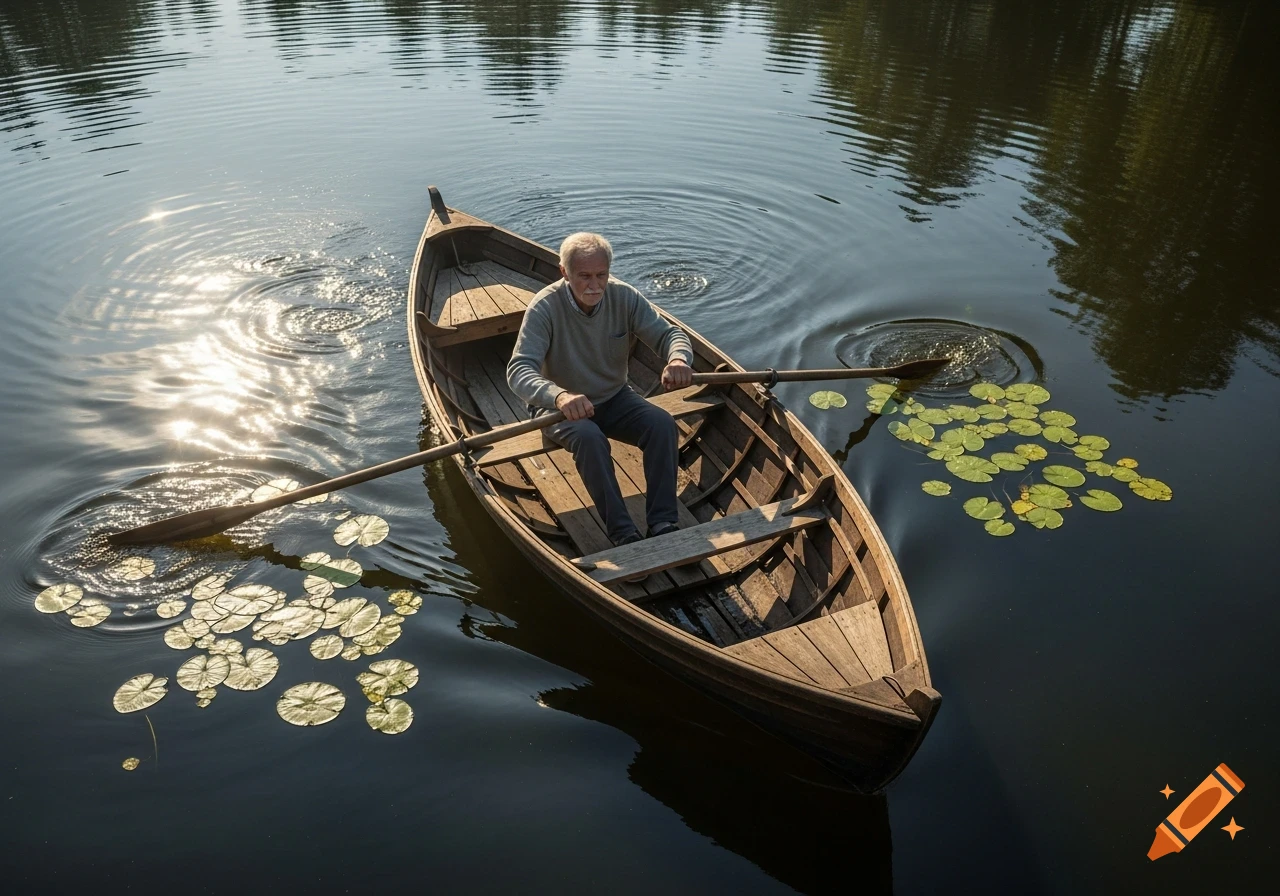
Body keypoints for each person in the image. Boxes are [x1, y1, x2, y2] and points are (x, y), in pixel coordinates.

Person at [507, 232, 693, 552]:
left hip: (613, 397)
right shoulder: (544, 308)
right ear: (564, 272)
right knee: (590, 438)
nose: (594, 285)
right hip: (557, 408)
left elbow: (669, 335)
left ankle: (663, 522)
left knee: (661, 423)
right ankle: (623, 533)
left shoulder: (625, 296)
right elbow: (518, 371)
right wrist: (560, 396)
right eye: (584, 276)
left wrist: (677, 358)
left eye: (601, 275)